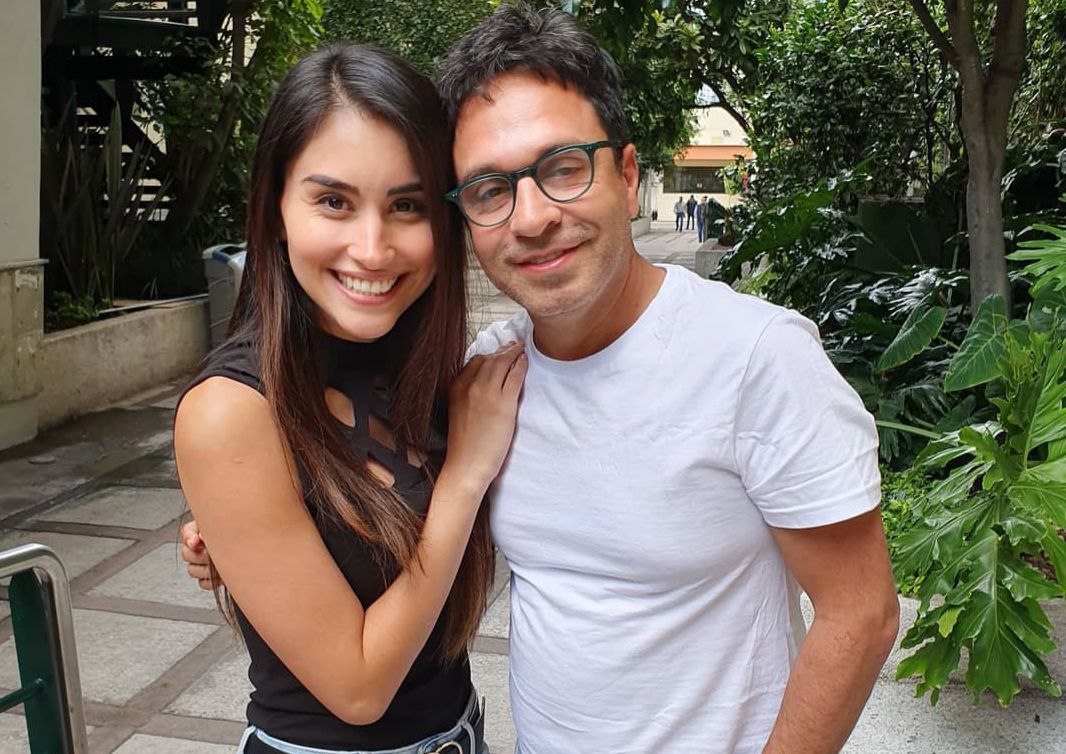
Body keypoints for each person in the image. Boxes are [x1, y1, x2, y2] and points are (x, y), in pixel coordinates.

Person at [186, 6, 900, 753]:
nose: (531, 218)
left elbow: (861, 613)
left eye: (563, 168)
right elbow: (399, 520)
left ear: (628, 176)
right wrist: (241, 529)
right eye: (490, 188)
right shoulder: (492, 374)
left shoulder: (756, 357)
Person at [174, 44, 526, 754]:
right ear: (275, 210)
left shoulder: (423, 366)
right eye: (333, 202)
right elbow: (359, 689)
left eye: (407, 206)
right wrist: (464, 476)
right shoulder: (230, 411)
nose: (372, 248)